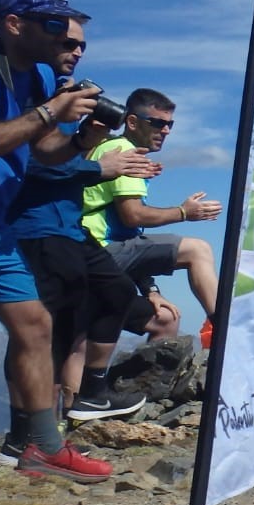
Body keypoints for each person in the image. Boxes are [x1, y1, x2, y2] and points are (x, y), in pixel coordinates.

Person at [5, 18, 159, 447]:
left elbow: (61, 157)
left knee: (111, 294)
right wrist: (99, 166)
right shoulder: (34, 94)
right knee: (42, 330)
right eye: (68, 42)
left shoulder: (62, 91)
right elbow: (31, 164)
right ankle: (25, 438)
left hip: (68, 226)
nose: (74, 50)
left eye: (81, 45)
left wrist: (88, 140)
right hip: (37, 225)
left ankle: (90, 393)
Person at [0, 0, 111, 481]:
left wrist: (82, 137)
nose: (63, 37)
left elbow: (46, 150)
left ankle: (43, 446)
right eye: (54, 24)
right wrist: (49, 112)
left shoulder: (35, 76)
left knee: (35, 326)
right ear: (14, 24)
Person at [81, 88, 222, 340]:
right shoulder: (126, 152)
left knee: (165, 319)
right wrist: (183, 213)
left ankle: (152, 379)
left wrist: (150, 290)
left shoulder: (111, 148)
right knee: (198, 249)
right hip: (96, 252)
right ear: (132, 122)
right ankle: (224, 326)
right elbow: (133, 216)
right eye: (157, 123)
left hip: (94, 259)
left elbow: (129, 237)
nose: (165, 131)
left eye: (170, 124)